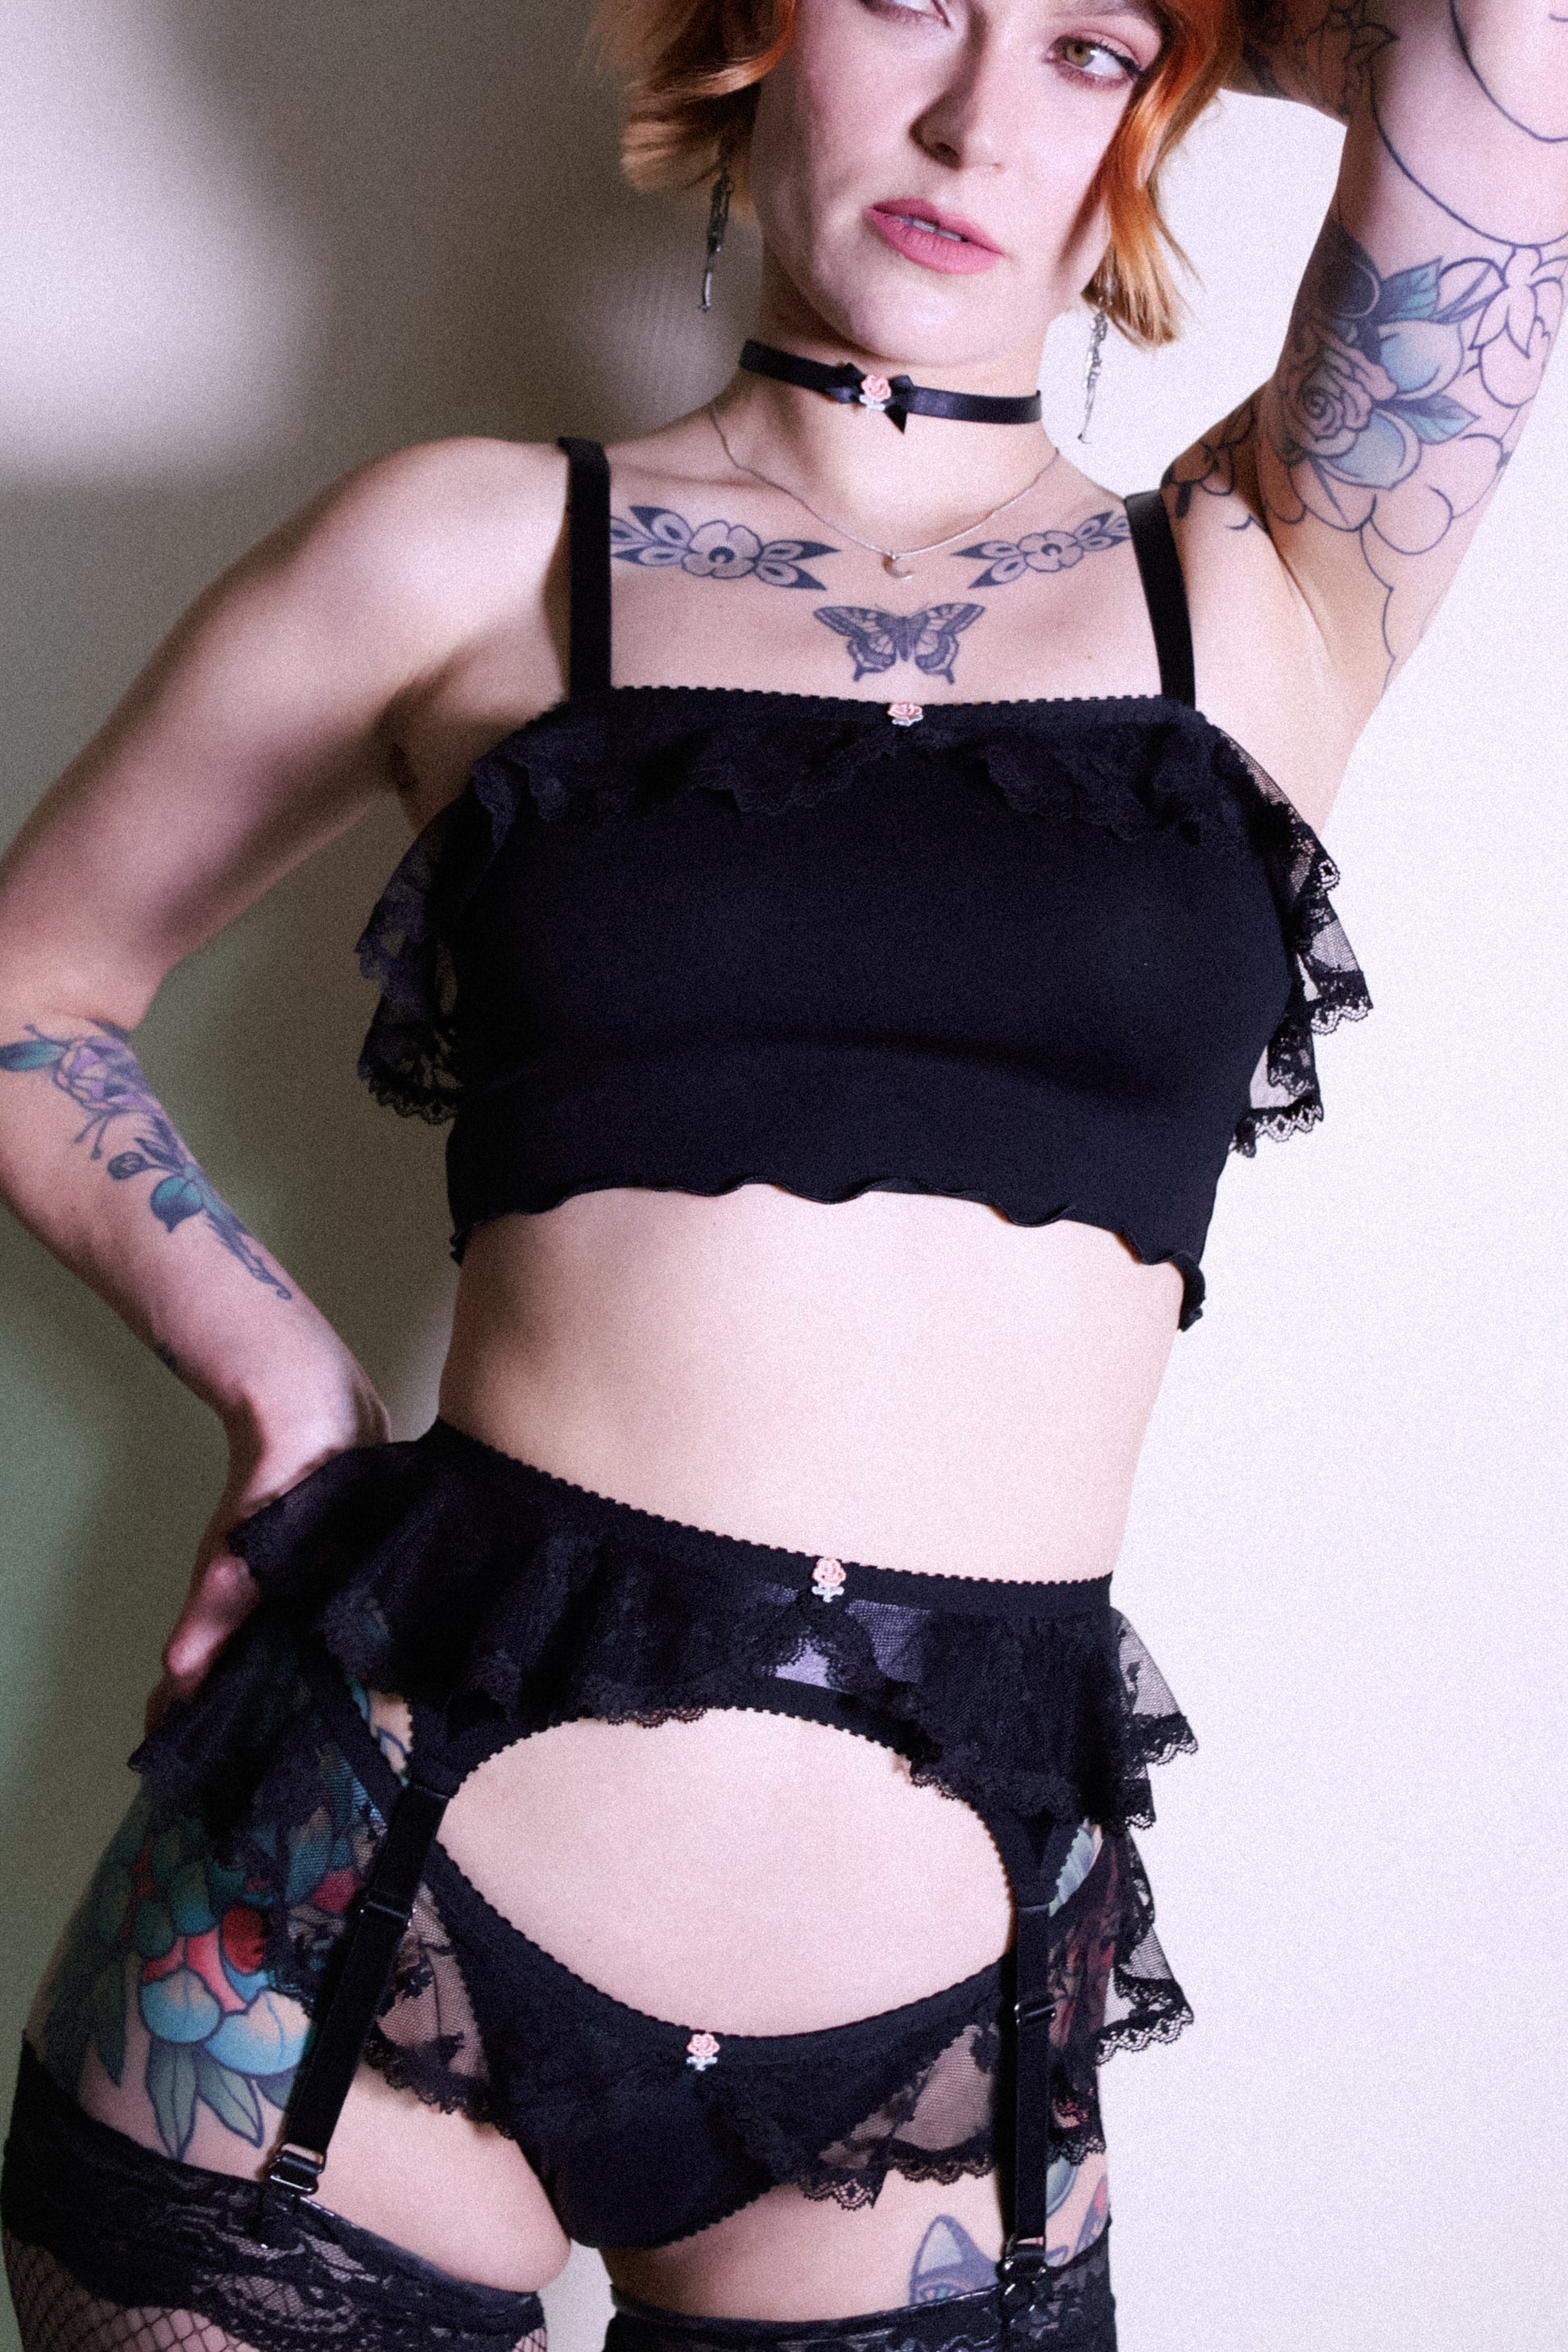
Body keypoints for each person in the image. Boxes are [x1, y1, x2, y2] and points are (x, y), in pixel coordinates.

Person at [1, 2, 1562, 2347]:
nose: (971, 114)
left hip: (943, 2076)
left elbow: (1505, 50)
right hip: (337, 1940)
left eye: (1083, 48)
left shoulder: (1269, 582)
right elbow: (30, 986)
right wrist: (278, 1380)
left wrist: (1188, 19)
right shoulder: (475, 547)